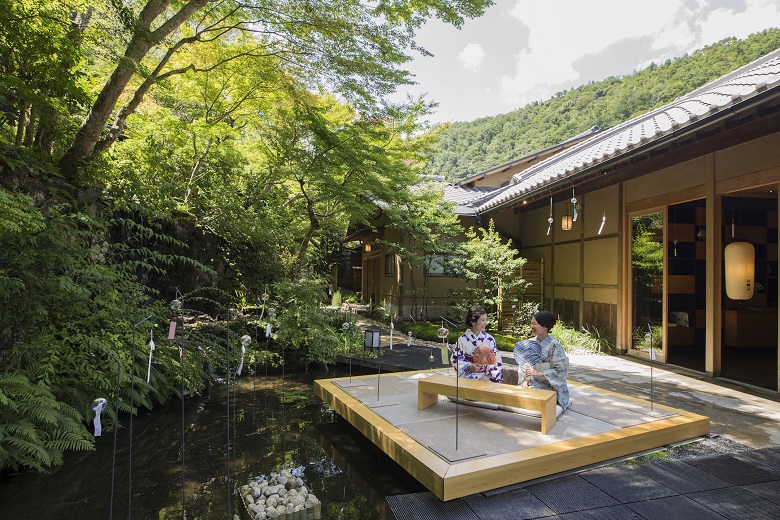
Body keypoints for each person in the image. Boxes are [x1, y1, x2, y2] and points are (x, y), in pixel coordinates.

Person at [519, 311, 570, 415]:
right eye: (531, 323)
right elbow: (524, 365)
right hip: (532, 382)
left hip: (550, 385)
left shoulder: (555, 346)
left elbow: (561, 371)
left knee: (534, 398)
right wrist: (526, 380)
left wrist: (538, 374)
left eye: (535, 324)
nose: (531, 326)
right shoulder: (530, 343)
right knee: (518, 394)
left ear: (545, 326)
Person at [451, 306, 503, 383]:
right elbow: (455, 359)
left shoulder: (489, 339)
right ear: (473, 321)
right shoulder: (462, 340)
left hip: (486, 378)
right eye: (482, 320)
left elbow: (496, 360)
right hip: (468, 377)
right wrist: (469, 366)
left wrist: (487, 376)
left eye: (486, 320)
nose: (485, 323)